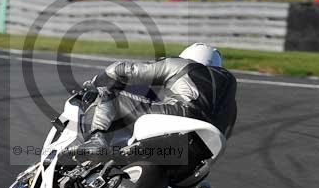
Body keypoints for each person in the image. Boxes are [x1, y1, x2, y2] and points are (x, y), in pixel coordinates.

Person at [70, 43, 238, 156]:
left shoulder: (181, 64)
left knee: (109, 95)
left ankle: (96, 140)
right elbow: (227, 133)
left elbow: (122, 70)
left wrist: (95, 83)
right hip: (207, 145)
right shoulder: (231, 98)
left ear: (187, 56)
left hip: (180, 115)